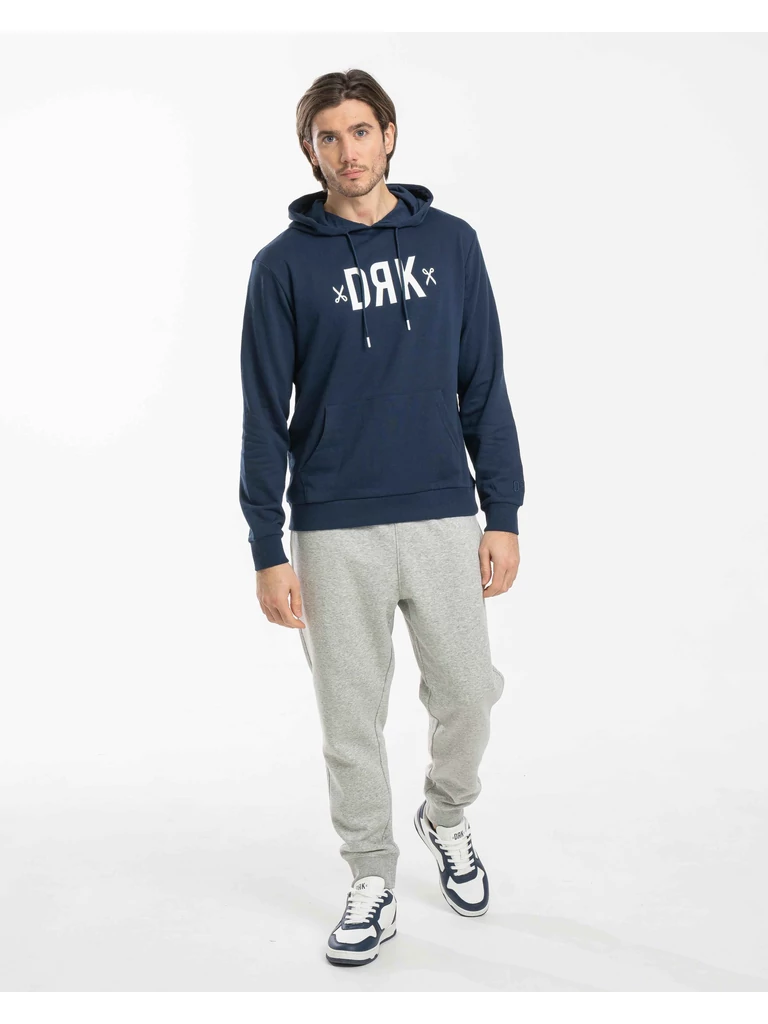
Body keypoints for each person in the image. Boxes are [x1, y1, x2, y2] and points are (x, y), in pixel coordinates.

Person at [239, 68, 524, 967]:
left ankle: (446, 813)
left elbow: (484, 383)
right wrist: (266, 545)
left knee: (470, 693)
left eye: (361, 131)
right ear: (310, 149)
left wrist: (503, 509)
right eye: (328, 136)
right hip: (331, 526)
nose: (347, 151)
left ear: (390, 136)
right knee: (350, 721)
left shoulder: (451, 243)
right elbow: (263, 413)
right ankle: (371, 876)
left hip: (441, 512)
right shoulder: (282, 266)